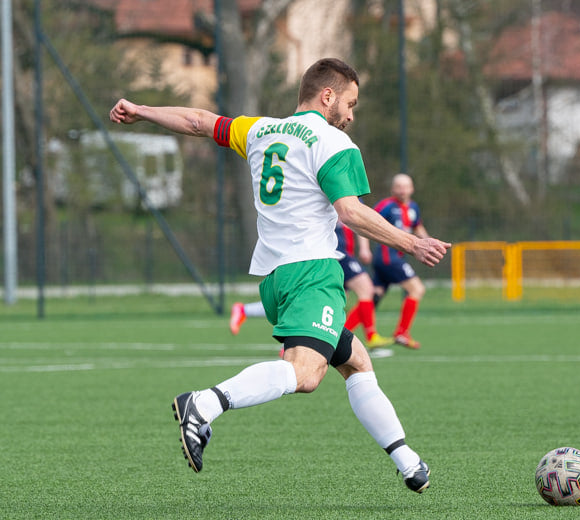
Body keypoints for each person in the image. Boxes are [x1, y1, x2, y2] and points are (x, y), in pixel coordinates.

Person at [110, 58, 450, 493]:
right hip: (312, 271)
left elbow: (197, 120)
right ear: (327, 96)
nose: (351, 114)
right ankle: (203, 403)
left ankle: (410, 464)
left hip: (273, 278)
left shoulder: (259, 130)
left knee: (355, 361)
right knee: (306, 375)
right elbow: (350, 212)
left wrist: (141, 110)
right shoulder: (332, 143)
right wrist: (411, 243)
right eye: (350, 103)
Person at [230, 223, 392, 349]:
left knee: (331, 302)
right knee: (366, 290)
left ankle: (245, 310)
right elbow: (353, 216)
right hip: (335, 254)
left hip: (337, 254)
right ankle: (369, 335)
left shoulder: (350, 189)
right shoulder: (334, 184)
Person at [371, 173, 430, 349]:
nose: (402, 190)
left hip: (392, 259)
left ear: (412, 189)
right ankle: (402, 333)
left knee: (371, 297)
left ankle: (338, 333)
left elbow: (417, 226)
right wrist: (365, 247)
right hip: (389, 257)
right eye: (399, 186)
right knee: (417, 289)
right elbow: (367, 222)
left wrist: (429, 243)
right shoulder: (386, 206)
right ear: (393, 189)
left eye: (406, 186)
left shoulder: (413, 207)